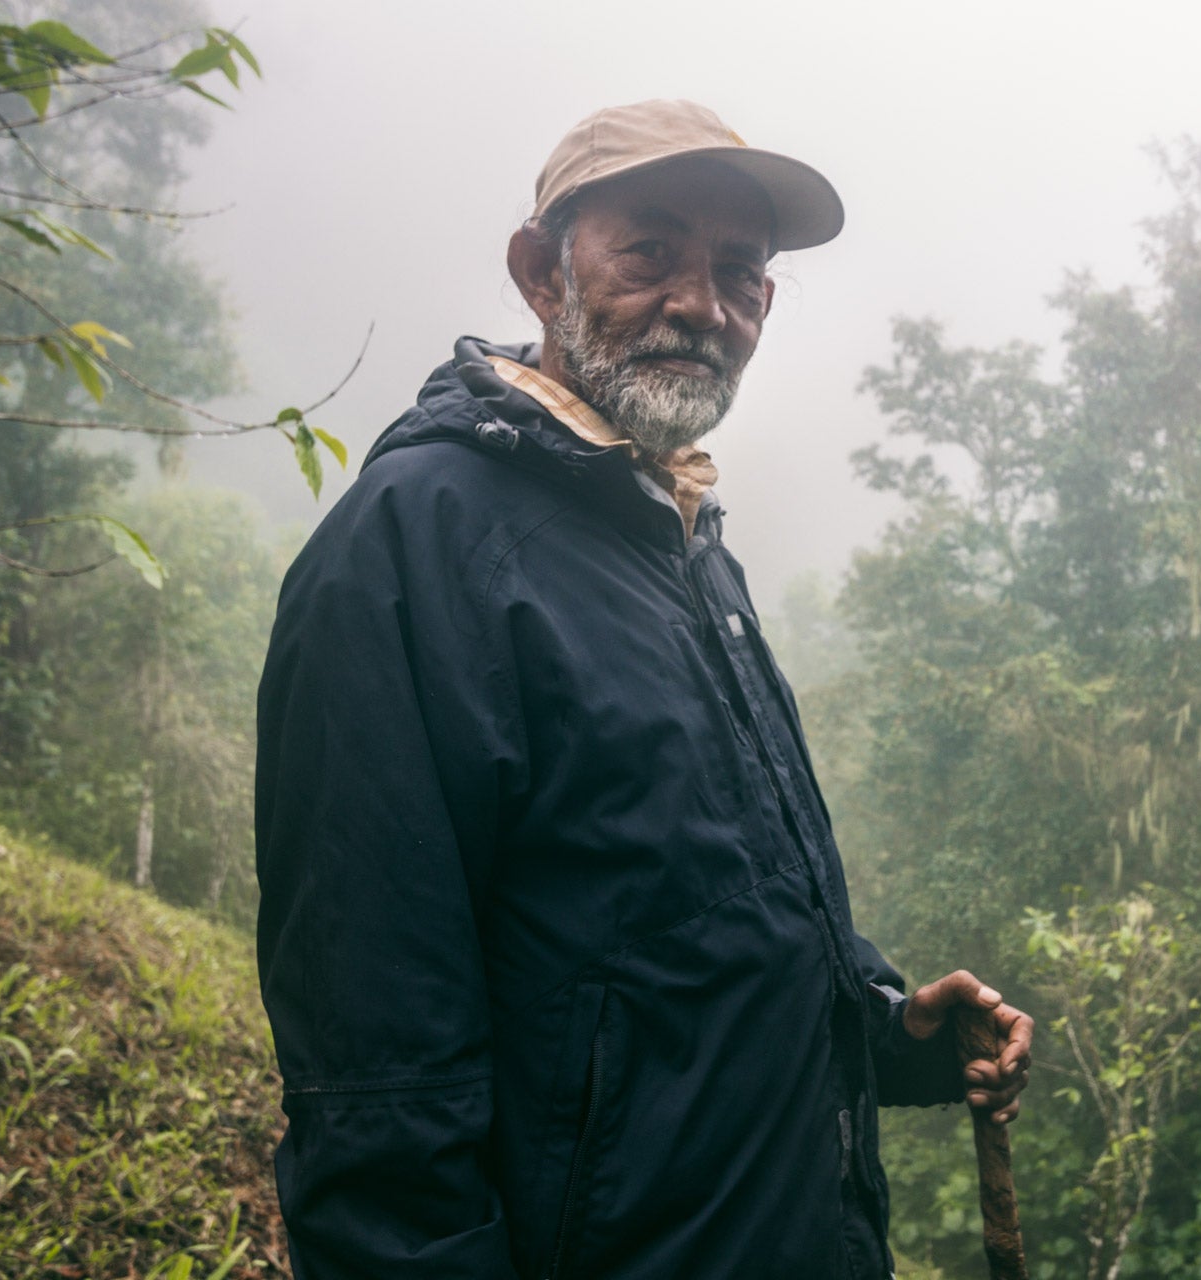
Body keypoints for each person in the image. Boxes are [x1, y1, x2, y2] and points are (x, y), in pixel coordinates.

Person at [254, 99, 1033, 1280]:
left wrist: (890, 1033)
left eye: (739, 273)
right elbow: (375, 1083)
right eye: (650, 251)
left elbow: (680, 928)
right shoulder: (413, 553)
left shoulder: (677, 539)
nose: (699, 304)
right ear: (538, 270)